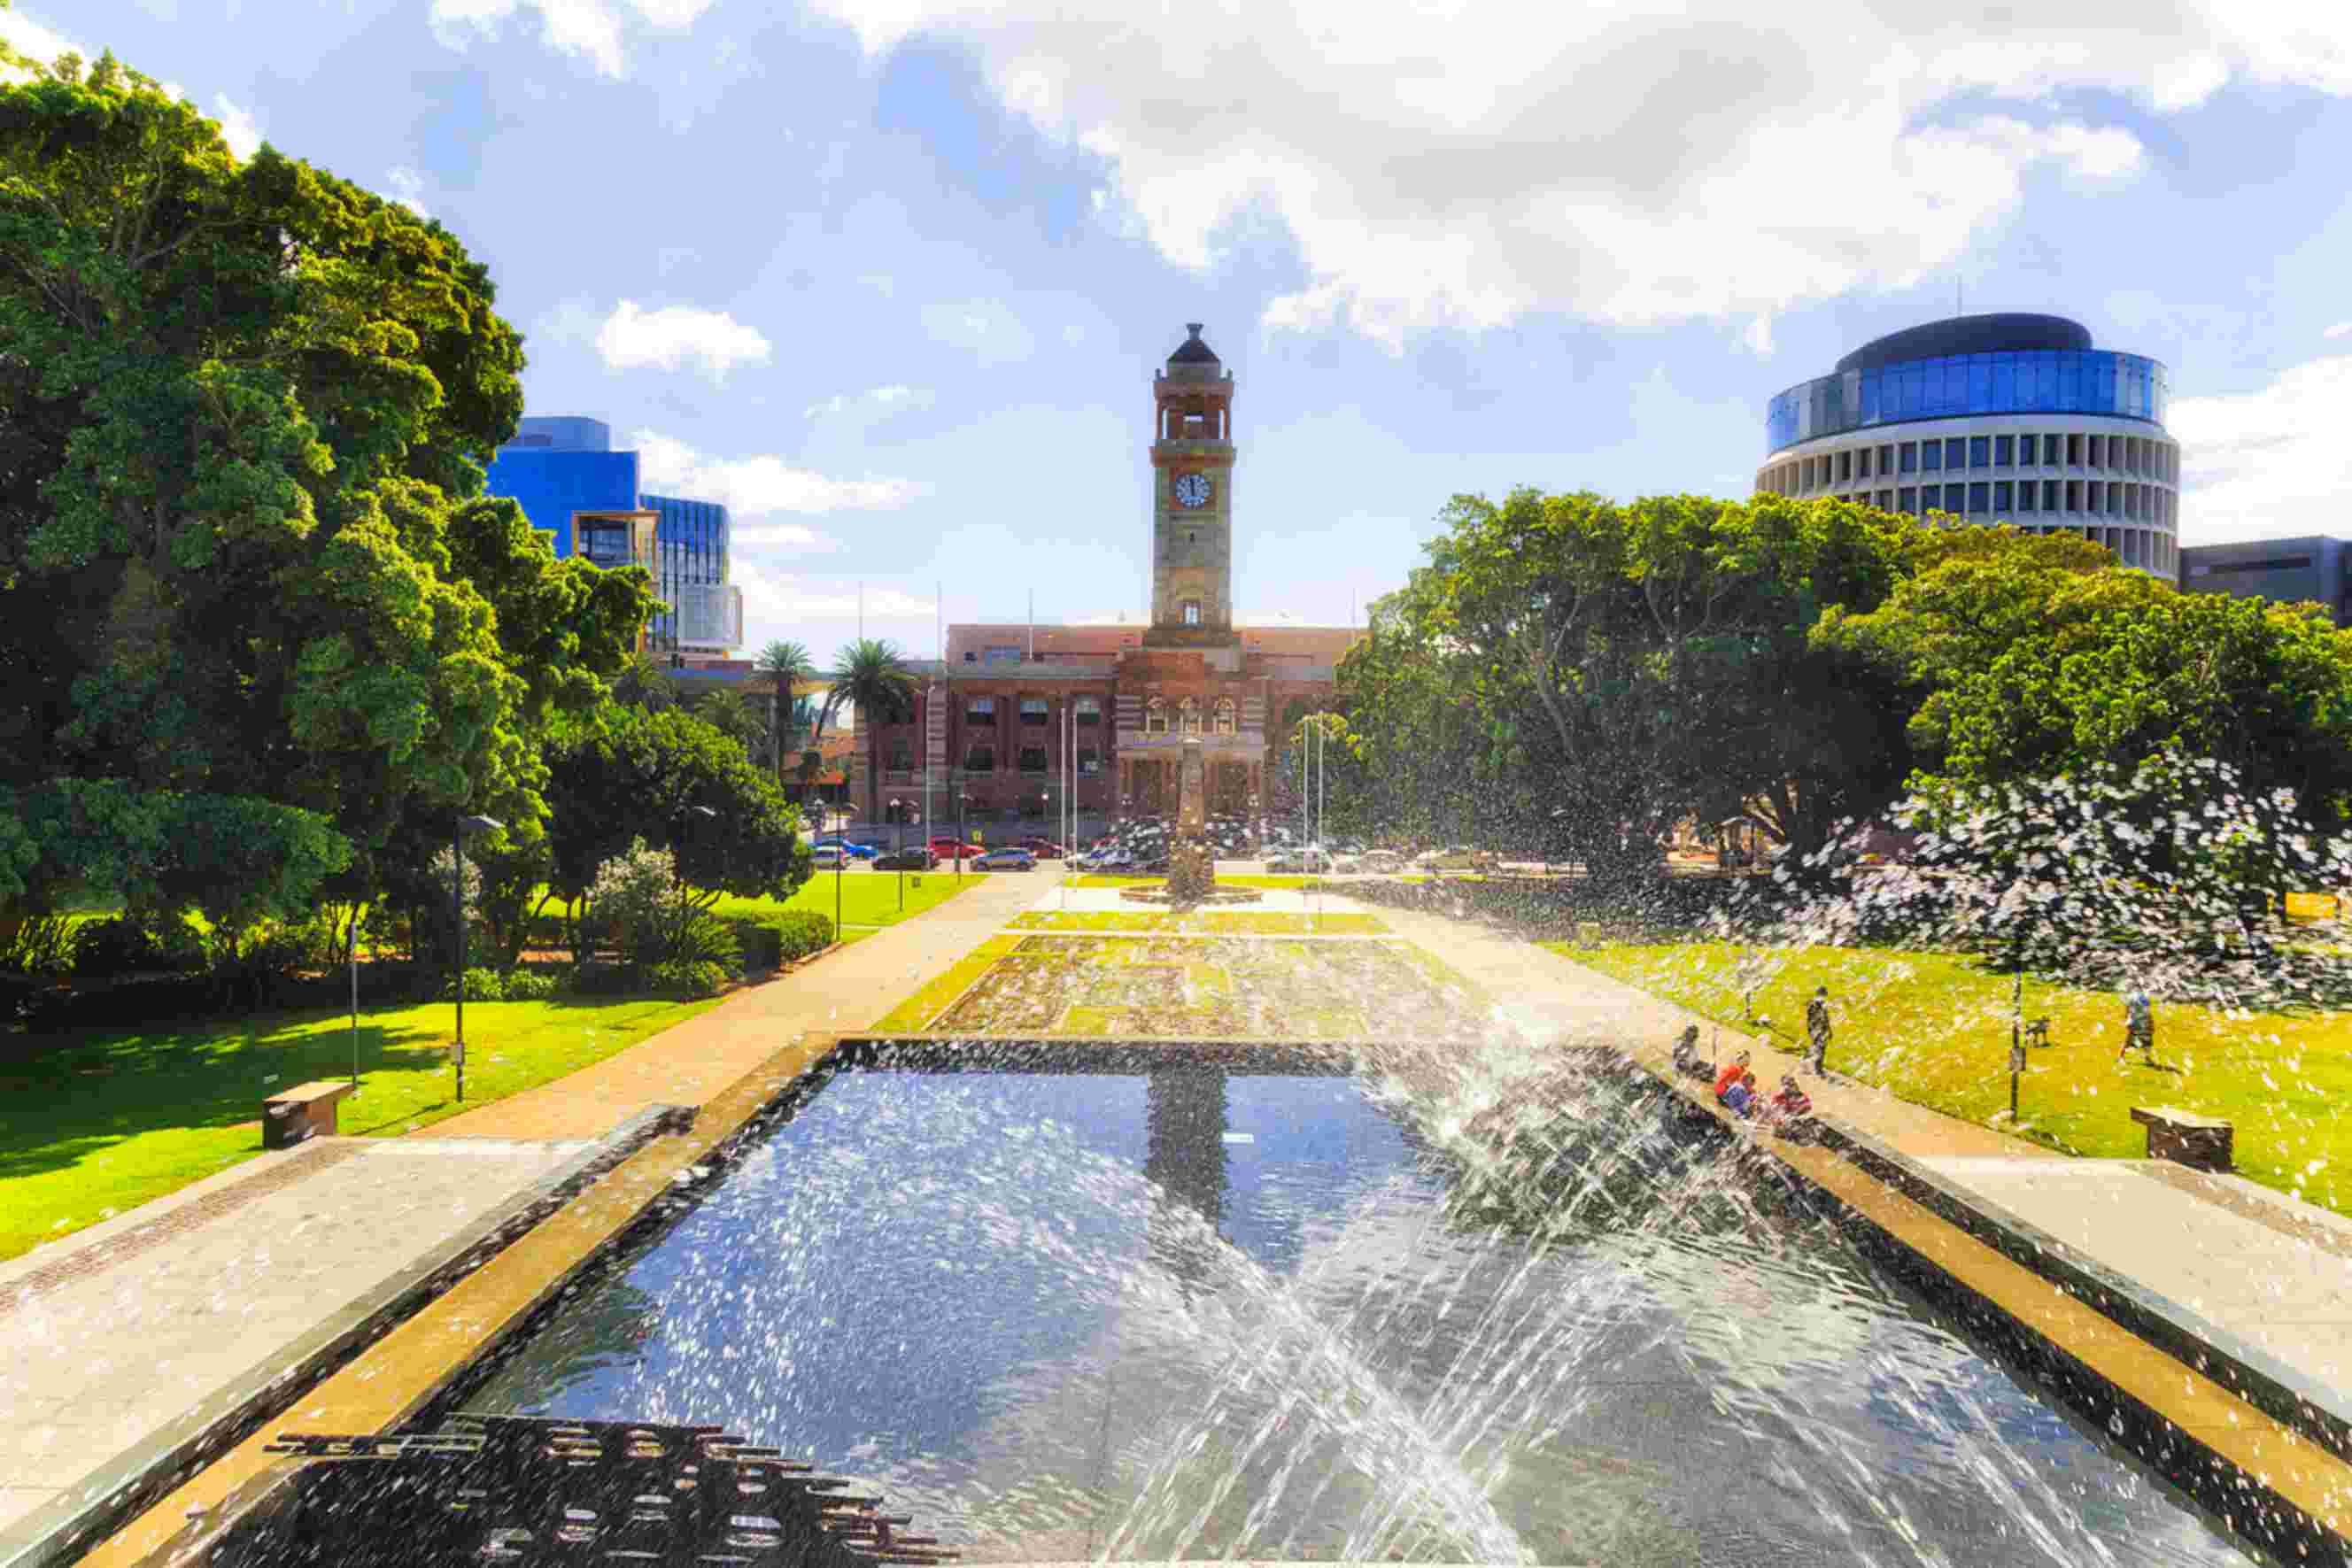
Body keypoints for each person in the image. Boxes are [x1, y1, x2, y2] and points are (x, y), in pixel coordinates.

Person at [2119, 987, 2155, 1063]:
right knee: (2132, 1040)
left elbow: (2128, 1009)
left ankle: (2147, 1057)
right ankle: (2120, 1057)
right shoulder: (2142, 999)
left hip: (2136, 1022)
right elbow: (2147, 1013)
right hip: (2138, 1023)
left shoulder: (2133, 999)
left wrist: (2127, 1019)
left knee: (2144, 1041)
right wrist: (2151, 1023)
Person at [1806, 985, 1832, 1077]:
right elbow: (1812, 1018)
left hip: (1820, 1029)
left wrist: (1829, 1029)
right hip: (1816, 1029)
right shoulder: (1814, 1004)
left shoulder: (1821, 1004)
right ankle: (1817, 1068)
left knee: (1820, 1048)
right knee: (1819, 1048)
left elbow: (1825, 1018)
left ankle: (1817, 1067)